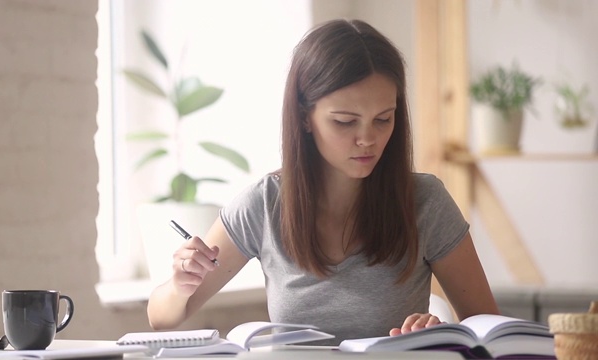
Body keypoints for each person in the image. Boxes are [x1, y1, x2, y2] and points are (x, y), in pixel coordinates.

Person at [147, 18, 499, 345]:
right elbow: (160, 318)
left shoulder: (425, 201)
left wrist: (442, 337)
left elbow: (488, 327)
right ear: (304, 117)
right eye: (345, 121)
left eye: (383, 119)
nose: (368, 139)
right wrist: (181, 284)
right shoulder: (264, 205)